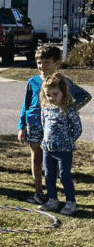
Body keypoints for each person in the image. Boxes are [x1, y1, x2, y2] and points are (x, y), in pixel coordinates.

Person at [18, 44, 90, 204]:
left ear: (56, 63)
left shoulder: (64, 82)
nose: (42, 66)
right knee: (36, 158)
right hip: (34, 125)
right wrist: (21, 126)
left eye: (46, 62)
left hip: (54, 129)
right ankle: (39, 192)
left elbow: (84, 97)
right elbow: (25, 105)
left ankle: (53, 194)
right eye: (39, 62)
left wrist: (66, 110)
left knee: (53, 163)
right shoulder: (33, 82)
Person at [39, 73, 83, 215]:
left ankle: (71, 202)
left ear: (63, 92)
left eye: (55, 94)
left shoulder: (68, 109)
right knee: (48, 175)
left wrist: (67, 140)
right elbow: (44, 125)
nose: (51, 97)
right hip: (48, 148)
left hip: (64, 150)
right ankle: (52, 200)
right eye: (48, 94)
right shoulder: (45, 108)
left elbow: (77, 128)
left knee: (64, 176)